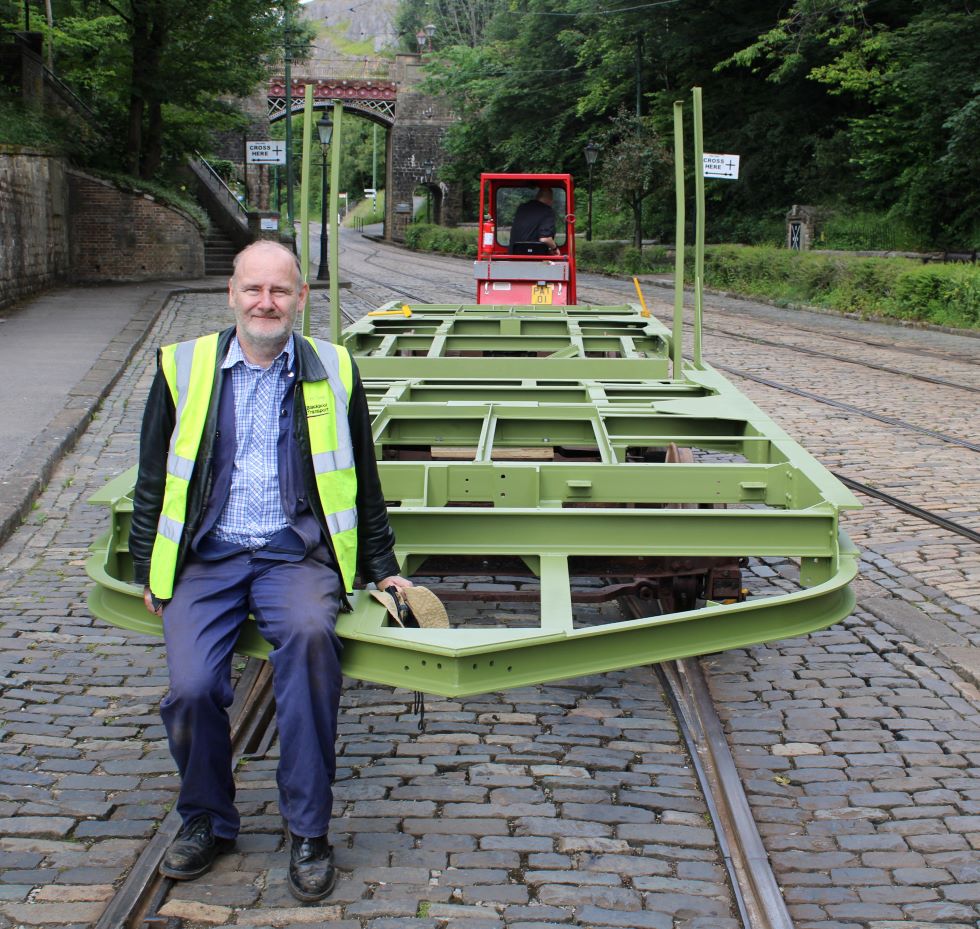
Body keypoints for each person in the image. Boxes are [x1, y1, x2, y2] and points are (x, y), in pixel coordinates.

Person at [129, 240, 411, 903]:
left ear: (300, 298)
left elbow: (362, 480)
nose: (265, 302)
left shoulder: (335, 369)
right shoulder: (183, 367)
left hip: (295, 552)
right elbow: (151, 477)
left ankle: (308, 830)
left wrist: (383, 567)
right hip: (208, 555)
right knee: (193, 686)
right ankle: (207, 817)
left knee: (314, 646)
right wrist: (150, 564)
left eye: (279, 291)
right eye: (253, 289)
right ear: (232, 294)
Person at [509, 185, 558, 254]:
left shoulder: (521, 208)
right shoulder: (547, 211)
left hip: (514, 255)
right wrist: (555, 249)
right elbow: (545, 239)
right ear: (549, 198)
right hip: (535, 257)